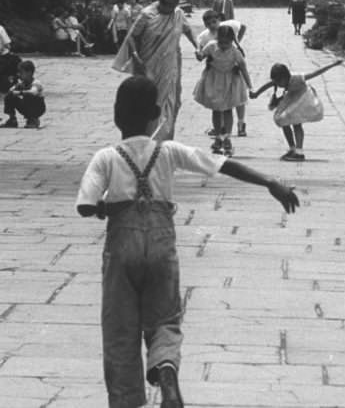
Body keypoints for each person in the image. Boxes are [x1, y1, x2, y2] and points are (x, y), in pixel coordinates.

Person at [75, 76, 299, 408]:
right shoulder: (169, 151)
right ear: (155, 114)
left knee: (120, 327)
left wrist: (106, 208)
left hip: (122, 248)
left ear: (116, 115)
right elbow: (222, 165)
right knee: (165, 317)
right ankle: (166, 371)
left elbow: (86, 205)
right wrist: (270, 182)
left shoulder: (106, 157)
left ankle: (127, 400)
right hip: (161, 245)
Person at [112, 0, 199, 141]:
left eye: (174, 7)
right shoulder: (147, 14)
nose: (172, 10)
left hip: (170, 65)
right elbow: (131, 37)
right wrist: (135, 57)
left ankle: (163, 138)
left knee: (171, 101)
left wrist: (197, 47)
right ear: (161, 3)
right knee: (148, 101)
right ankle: (144, 137)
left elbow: (188, 30)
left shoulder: (178, 13)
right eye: (169, 7)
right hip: (148, 65)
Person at [249, 59, 343, 160]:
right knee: (283, 120)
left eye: (279, 82)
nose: (278, 85)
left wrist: (333, 64)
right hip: (291, 98)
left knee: (296, 124)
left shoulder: (297, 78)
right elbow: (268, 85)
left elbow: (316, 73)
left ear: (285, 77)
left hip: (303, 99)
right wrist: (256, 94)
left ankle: (299, 152)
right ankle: (292, 148)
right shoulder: (278, 80)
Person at [193, 25, 252, 156]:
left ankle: (227, 138)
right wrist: (199, 53)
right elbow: (202, 55)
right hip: (213, 80)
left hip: (229, 82)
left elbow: (243, 68)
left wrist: (250, 86)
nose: (224, 45)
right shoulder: (212, 46)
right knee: (215, 109)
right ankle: (218, 136)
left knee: (227, 109)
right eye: (221, 42)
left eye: (227, 42)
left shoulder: (235, 52)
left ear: (232, 40)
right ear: (217, 39)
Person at [196, 9, 249, 137]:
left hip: (232, 69)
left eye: (214, 21)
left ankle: (241, 123)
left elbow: (243, 27)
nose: (212, 25)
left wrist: (236, 43)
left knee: (237, 99)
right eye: (208, 23)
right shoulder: (205, 36)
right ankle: (221, 128)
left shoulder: (228, 26)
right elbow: (201, 50)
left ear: (219, 19)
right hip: (216, 73)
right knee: (219, 102)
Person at [0, 60, 46, 129]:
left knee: (28, 95)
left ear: (29, 73)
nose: (19, 75)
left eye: (21, 73)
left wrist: (20, 92)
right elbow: (11, 90)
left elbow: (33, 92)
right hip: (26, 106)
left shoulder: (36, 83)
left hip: (37, 107)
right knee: (9, 95)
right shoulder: (22, 83)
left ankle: (32, 119)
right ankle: (12, 119)